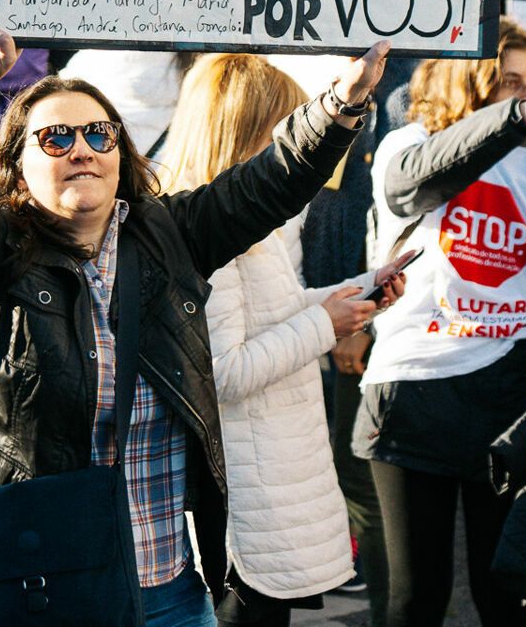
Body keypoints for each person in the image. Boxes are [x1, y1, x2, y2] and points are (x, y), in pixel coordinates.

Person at [0, 26, 388, 623]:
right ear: (18, 165)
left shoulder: (166, 235)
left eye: (99, 134)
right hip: (38, 587)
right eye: (55, 138)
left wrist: (344, 101)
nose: (82, 149)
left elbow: (271, 181)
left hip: (168, 589)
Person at [359, 33, 526, 627]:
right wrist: (513, 117)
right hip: (416, 384)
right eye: (509, 81)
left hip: (511, 388)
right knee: (416, 598)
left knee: (508, 598)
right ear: (466, 80)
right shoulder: (409, 142)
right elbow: (410, 183)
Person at [156, 55, 404, 624]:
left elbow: (275, 312)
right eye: (283, 130)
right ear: (246, 131)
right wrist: (327, 324)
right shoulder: (206, 230)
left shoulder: (241, 223)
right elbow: (223, 372)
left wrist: (358, 292)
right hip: (245, 483)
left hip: (268, 469)